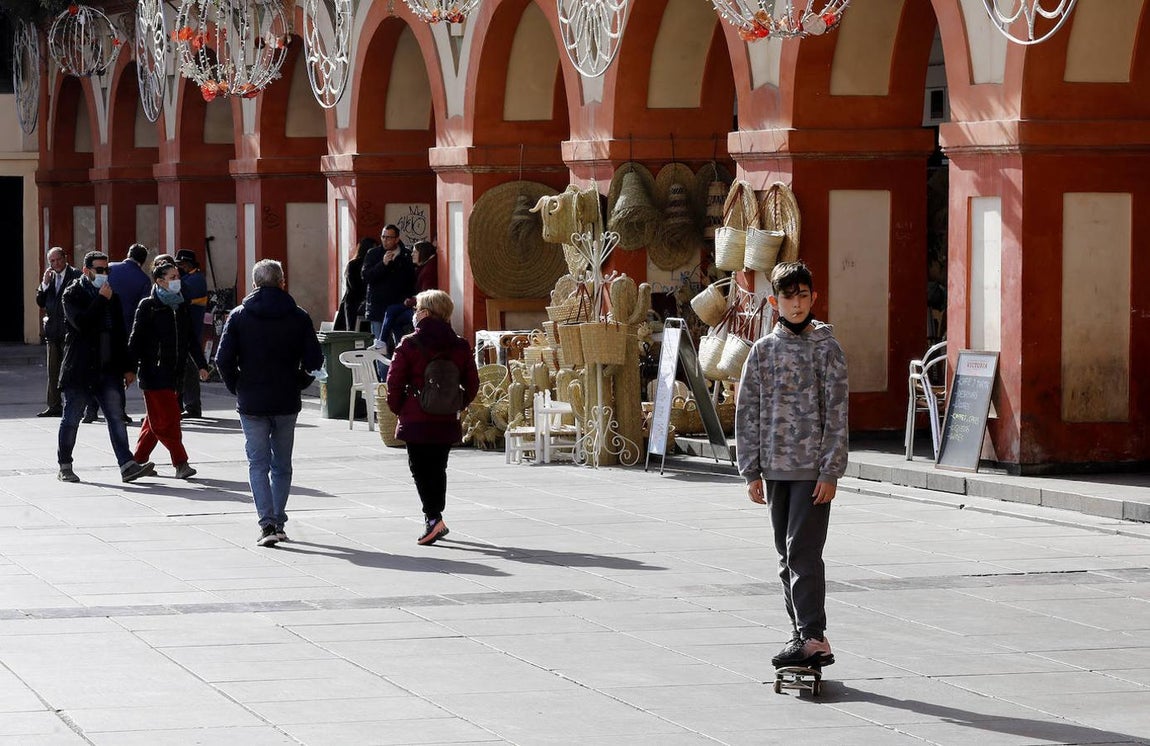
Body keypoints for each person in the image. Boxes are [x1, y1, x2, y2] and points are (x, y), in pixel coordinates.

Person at [734, 261, 848, 671]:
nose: (796, 304)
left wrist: (831, 470)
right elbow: (748, 411)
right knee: (786, 557)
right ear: (773, 301)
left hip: (812, 473)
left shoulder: (827, 349)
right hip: (774, 470)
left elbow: (836, 413)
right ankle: (801, 633)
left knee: (804, 554)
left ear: (814, 298)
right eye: (788, 296)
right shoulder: (763, 352)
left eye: (803, 296)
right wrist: (750, 470)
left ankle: (813, 636)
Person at [216, 259, 323, 547]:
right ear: (282, 282)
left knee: (257, 464)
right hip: (286, 399)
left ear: (254, 284)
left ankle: (267, 524)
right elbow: (315, 361)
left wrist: (236, 386)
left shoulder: (238, 316)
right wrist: (299, 381)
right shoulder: (299, 316)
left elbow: (222, 359)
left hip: (251, 400)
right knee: (282, 465)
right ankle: (278, 520)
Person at [386, 289, 479, 545]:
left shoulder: (408, 343)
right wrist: (458, 403)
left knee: (419, 468)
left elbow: (394, 382)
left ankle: (433, 518)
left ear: (425, 313)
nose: (414, 314)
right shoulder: (460, 344)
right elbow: (472, 383)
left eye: (417, 310)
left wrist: (399, 408)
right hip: (446, 418)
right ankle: (435, 515)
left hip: (416, 417)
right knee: (439, 468)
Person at [56, 251, 154, 484]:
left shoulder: (113, 297)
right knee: (71, 418)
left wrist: (128, 367)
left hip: (108, 369)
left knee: (116, 417)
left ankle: (127, 465)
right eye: (99, 270)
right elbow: (81, 324)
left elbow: (121, 334)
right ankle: (65, 465)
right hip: (80, 369)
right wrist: (100, 299)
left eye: (106, 270)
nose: (104, 274)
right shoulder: (73, 294)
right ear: (86, 270)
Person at [128, 263, 211, 479]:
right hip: (153, 372)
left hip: (175, 373)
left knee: (154, 420)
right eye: (173, 276)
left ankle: (136, 461)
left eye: (178, 276)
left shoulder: (180, 305)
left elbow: (190, 338)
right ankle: (180, 462)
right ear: (160, 281)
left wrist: (202, 364)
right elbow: (135, 340)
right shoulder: (148, 306)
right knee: (168, 420)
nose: (177, 280)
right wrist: (128, 369)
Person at [101, 242, 153, 425]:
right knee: (118, 372)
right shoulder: (144, 280)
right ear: (143, 261)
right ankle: (119, 411)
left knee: (96, 367)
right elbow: (143, 310)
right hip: (125, 330)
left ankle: (90, 410)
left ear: (128, 253)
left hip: (102, 326)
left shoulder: (110, 268)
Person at [35, 247, 82, 417]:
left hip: (69, 332)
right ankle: (54, 405)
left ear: (65, 258)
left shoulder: (76, 276)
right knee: (53, 371)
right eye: (52, 261)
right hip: (52, 332)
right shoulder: (50, 278)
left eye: (58, 260)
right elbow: (40, 301)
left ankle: (76, 405)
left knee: (71, 371)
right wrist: (44, 284)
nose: (56, 264)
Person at [362, 224, 415, 353]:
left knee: (401, 346)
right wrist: (383, 264)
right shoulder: (373, 254)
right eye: (383, 237)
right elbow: (366, 276)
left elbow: (412, 280)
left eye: (389, 238)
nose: (385, 240)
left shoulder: (406, 255)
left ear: (397, 239)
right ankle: (382, 373)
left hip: (399, 307)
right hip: (378, 308)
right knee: (380, 347)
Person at [175, 249, 210, 418]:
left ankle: (192, 406)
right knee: (183, 371)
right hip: (185, 330)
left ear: (187, 264)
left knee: (189, 371)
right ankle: (182, 404)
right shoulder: (188, 278)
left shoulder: (196, 280)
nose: (179, 268)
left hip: (192, 330)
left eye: (180, 265)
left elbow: (183, 296)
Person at [335, 237, 376, 331]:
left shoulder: (357, 264)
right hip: (354, 303)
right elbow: (354, 286)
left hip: (355, 301)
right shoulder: (355, 265)